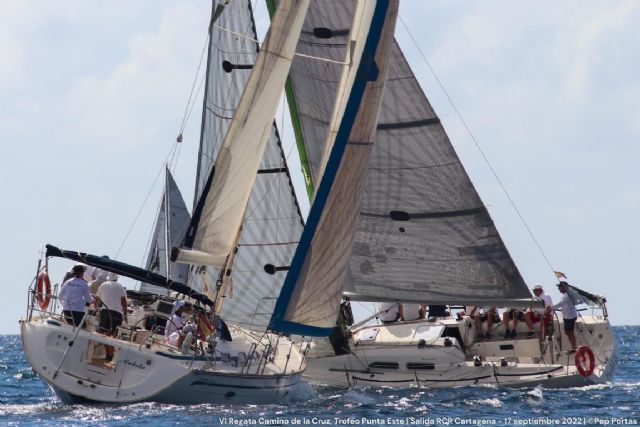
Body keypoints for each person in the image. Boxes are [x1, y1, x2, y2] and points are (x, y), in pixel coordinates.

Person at [94, 272, 128, 361]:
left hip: (105, 312)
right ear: (116, 278)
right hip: (117, 313)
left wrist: (96, 309)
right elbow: (124, 302)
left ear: (108, 278)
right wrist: (125, 315)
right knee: (113, 335)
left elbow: (96, 299)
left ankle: (108, 353)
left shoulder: (103, 285)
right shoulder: (120, 286)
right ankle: (110, 353)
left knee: (105, 334)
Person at [553, 281, 578, 352]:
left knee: (570, 332)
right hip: (567, 316)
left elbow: (560, 304)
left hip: (570, 317)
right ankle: (573, 346)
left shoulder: (567, 296)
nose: (559, 288)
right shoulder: (565, 295)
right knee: (567, 332)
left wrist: (551, 307)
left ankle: (574, 347)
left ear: (564, 287)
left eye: (560, 287)